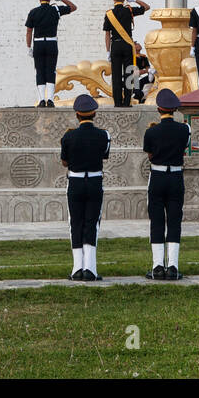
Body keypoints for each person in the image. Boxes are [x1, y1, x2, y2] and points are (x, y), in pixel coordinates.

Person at [60, 94, 110, 281]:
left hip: (75, 181)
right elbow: (104, 156)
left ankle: (77, 268)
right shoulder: (104, 135)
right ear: (94, 113)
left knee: (76, 222)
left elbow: (64, 161)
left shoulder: (68, 136)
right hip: (95, 181)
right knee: (92, 223)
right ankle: (90, 268)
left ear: (77, 114)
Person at [143, 89, 191, 280]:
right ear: (174, 109)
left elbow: (150, 154)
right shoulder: (184, 129)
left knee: (156, 221)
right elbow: (184, 148)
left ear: (159, 109)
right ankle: (172, 266)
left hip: (157, 176)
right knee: (174, 221)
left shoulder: (151, 131)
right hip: (176, 177)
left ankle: (157, 266)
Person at [24, 0, 77, 107]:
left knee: (40, 71)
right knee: (50, 71)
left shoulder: (33, 12)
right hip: (52, 44)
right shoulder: (56, 10)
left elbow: (29, 31)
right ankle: (51, 99)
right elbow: (73, 7)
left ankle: (42, 100)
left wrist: (28, 47)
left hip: (38, 43)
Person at [104, 0, 149, 107]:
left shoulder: (109, 14)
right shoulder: (129, 10)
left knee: (116, 75)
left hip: (116, 45)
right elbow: (146, 7)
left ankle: (118, 103)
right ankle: (127, 101)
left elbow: (107, 34)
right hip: (128, 45)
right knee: (129, 73)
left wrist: (108, 51)